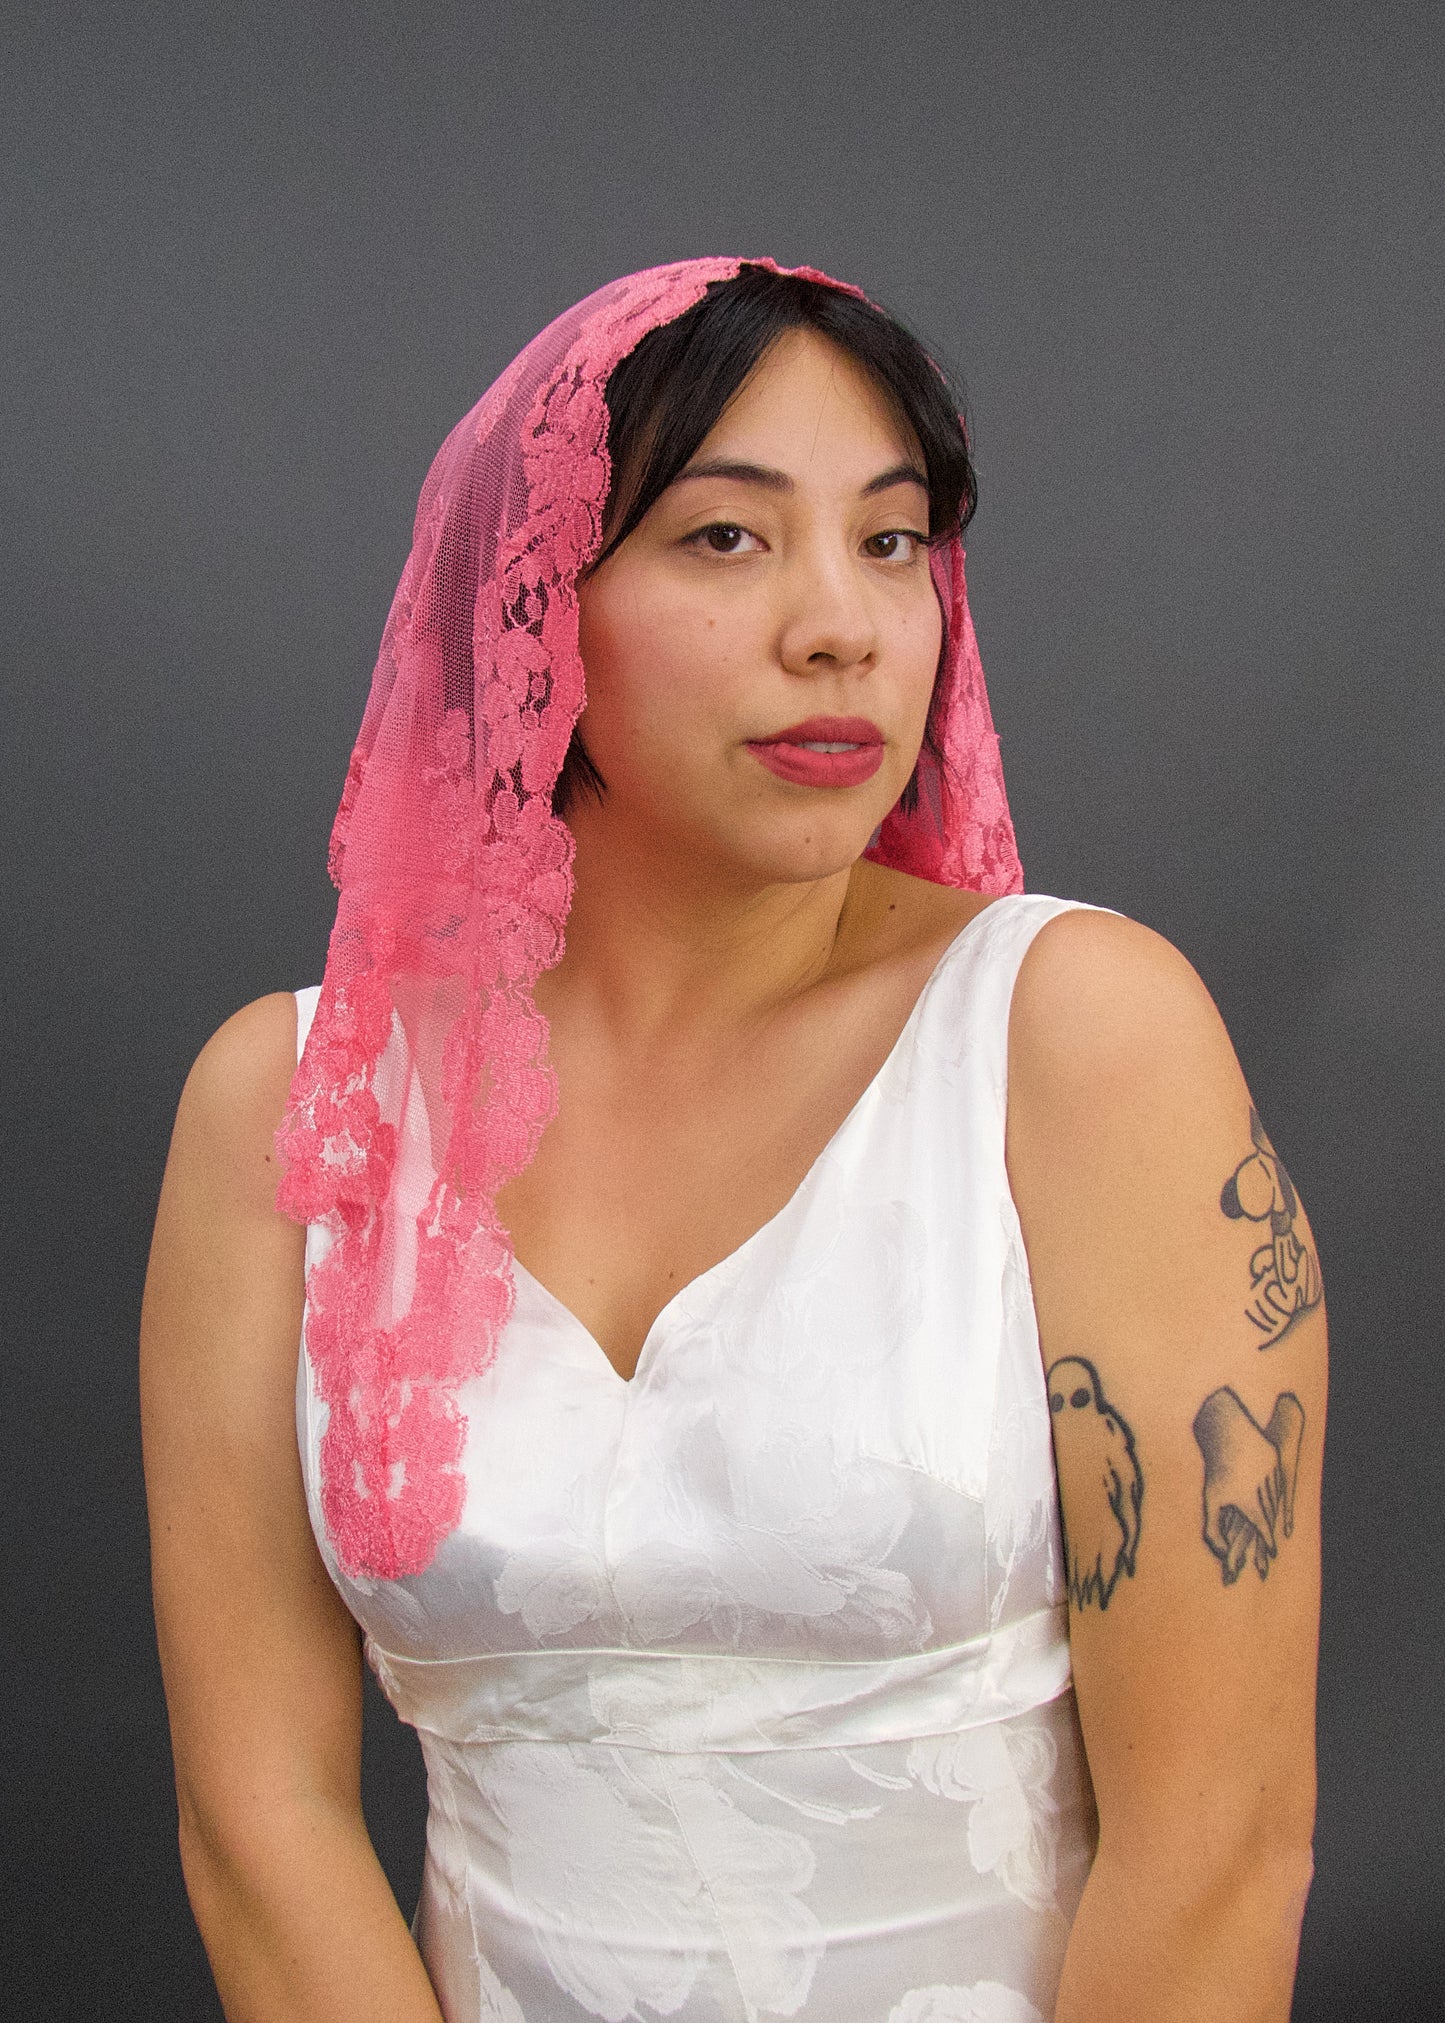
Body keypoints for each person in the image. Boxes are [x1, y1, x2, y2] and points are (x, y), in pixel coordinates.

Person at [140, 258, 1325, 2023]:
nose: (840, 625)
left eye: (893, 540)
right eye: (724, 538)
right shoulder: (292, 1104)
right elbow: (263, 1823)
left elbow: (1218, 1844)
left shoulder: (1078, 1038)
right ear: (531, 603)